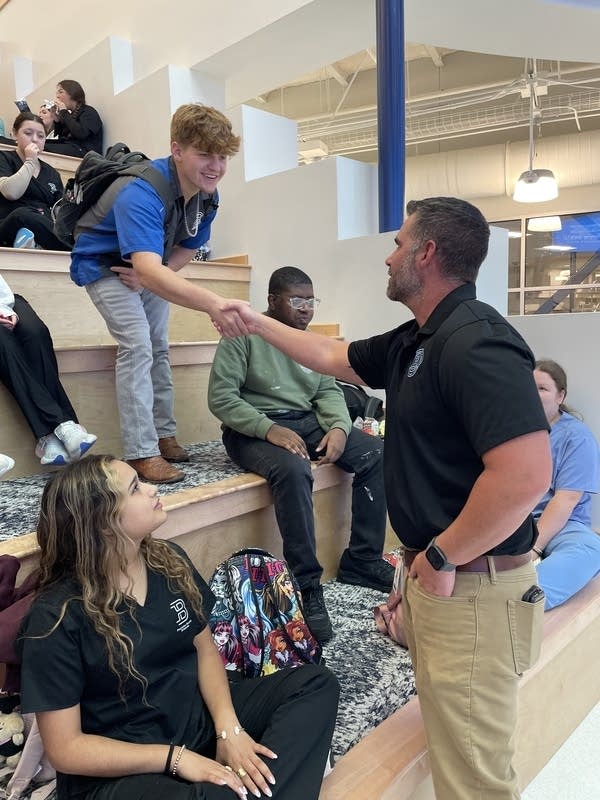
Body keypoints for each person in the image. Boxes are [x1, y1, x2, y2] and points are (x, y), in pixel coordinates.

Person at [220, 197, 552, 800]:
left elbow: (525, 476)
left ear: (426, 254)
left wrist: (443, 557)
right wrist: (250, 319)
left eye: (399, 243)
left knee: (476, 778)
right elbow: (329, 356)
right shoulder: (419, 338)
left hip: (473, 583)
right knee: (458, 755)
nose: (388, 254)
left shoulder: (477, 342)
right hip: (445, 577)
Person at [18, 455, 339, 800]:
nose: (153, 489)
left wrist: (228, 730)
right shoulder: (55, 616)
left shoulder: (167, 560)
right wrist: (176, 760)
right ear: (104, 523)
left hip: (194, 724)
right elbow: (66, 749)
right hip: (125, 768)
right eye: (135, 488)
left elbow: (204, 650)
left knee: (316, 684)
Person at [208, 267, 394, 643]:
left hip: (305, 422)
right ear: (273, 301)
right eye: (297, 301)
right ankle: (307, 585)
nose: (306, 309)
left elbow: (328, 393)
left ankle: (363, 559)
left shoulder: (310, 343)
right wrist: (269, 429)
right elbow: (222, 398)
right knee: (294, 471)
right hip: (252, 428)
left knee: (378, 452)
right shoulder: (242, 337)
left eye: (310, 301)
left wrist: (340, 429)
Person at [70, 103, 247, 484]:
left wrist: (155, 274)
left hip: (146, 264)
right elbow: (148, 271)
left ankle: (164, 433)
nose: (215, 166)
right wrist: (212, 302)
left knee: (159, 345)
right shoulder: (141, 192)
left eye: (221, 157)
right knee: (137, 345)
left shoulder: (206, 195)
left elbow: (185, 249)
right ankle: (141, 451)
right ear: (178, 150)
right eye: (204, 154)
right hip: (102, 263)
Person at [0, 273, 96, 465]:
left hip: (5, 297)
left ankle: (50, 436)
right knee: (5, 345)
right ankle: (62, 427)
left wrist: (4, 310)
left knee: (36, 334)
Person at [532, 359, 600, 609]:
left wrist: (535, 548)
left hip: (564, 526)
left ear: (560, 396)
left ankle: (523, 600)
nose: (533, 394)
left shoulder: (577, 437)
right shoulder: (512, 431)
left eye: (542, 388)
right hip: (516, 521)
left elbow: (566, 499)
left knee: (589, 550)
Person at [0, 112, 68, 251]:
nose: (35, 140)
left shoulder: (52, 173)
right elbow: (10, 192)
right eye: (28, 133)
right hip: (9, 224)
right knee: (23, 214)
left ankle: (34, 242)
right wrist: (30, 161)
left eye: (41, 136)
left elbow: (59, 210)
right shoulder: (4, 158)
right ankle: (73, 251)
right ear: (14, 134)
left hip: (44, 226)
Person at [42, 80, 103, 156]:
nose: (57, 96)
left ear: (73, 93)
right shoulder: (71, 114)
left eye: (61, 92)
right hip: (72, 147)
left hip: (85, 151)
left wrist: (64, 112)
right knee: (40, 143)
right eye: (57, 93)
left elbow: (81, 134)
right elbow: (62, 137)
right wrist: (56, 119)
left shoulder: (88, 111)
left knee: (42, 147)